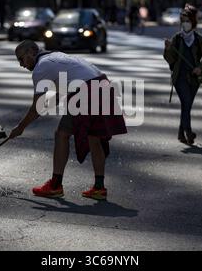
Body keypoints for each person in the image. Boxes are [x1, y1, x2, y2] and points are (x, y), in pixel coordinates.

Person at [10, 40, 128, 200]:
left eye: (21, 59)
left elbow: (36, 107)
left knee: (61, 135)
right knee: (94, 138)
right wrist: (44, 107)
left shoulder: (40, 68)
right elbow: (59, 94)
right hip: (103, 84)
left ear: (31, 52)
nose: (21, 65)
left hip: (87, 90)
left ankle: (55, 186)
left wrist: (20, 128)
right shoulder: (56, 57)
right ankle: (99, 188)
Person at [163, 4, 202, 145]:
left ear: (193, 22)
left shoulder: (199, 39)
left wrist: (200, 68)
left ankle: (181, 134)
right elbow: (170, 59)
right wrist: (167, 49)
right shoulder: (177, 39)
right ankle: (189, 132)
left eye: (188, 21)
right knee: (186, 102)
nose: (185, 24)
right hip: (179, 77)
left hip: (194, 79)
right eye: (183, 21)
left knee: (187, 105)